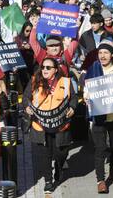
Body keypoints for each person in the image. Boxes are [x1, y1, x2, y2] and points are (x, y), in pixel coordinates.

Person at [23, 58, 77, 195]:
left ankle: (59, 168)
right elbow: (25, 98)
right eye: (43, 67)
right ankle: (48, 180)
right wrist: (27, 108)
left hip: (60, 125)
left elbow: (74, 99)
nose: (45, 70)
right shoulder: (35, 80)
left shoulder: (65, 81)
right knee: (45, 155)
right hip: (40, 125)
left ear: (55, 69)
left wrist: (72, 107)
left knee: (61, 152)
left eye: (48, 67)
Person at [84, 40, 113, 194]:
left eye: (106, 53)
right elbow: (87, 88)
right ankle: (101, 180)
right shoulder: (93, 68)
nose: (102, 56)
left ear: (112, 55)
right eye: (100, 53)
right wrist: (87, 96)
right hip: (99, 117)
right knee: (100, 149)